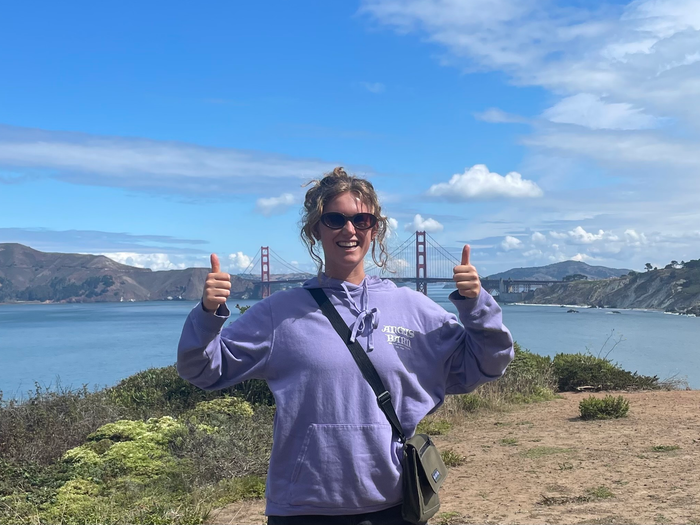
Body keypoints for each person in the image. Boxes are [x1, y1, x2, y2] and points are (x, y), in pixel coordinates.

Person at [177, 167, 514, 525]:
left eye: (362, 219)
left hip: (394, 504)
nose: (349, 230)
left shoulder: (413, 308)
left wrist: (476, 305)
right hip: (304, 508)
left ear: (375, 228)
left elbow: (488, 363)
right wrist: (208, 314)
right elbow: (201, 369)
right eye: (335, 219)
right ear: (315, 229)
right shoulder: (279, 313)